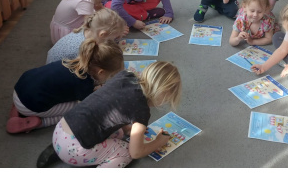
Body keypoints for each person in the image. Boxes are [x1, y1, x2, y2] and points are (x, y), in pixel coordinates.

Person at [37, 61, 182, 168]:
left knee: (119, 132)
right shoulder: (141, 111)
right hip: (74, 148)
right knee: (126, 152)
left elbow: (110, 104)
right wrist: (158, 142)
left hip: (61, 129)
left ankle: (59, 149)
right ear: (163, 94)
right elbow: (136, 152)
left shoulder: (125, 76)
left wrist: (127, 129)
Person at [6, 39, 124, 134]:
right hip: (29, 105)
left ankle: (19, 108)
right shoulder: (84, 83)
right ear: (101, 72)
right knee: (78, 110)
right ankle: (39, 122)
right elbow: (90, 104)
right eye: (111, 75)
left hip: (20, 89)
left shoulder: (73, 61)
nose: (110, 78)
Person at [46, 8, 127, 64]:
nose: (114, 40)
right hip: (58, 75)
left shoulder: (88, 29)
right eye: (114, 38)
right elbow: (88, 70)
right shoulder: (84, 48)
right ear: (102, 34)